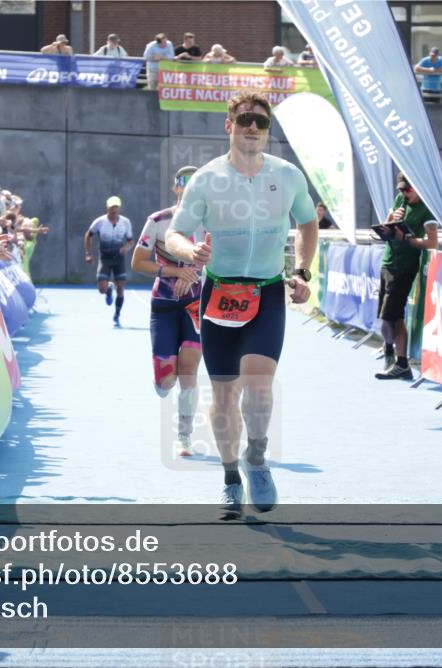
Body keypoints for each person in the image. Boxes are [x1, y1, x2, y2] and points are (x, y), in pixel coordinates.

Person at [165, 91, 318, 516]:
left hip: (267, 292)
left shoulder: (287, 176)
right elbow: (176, 232)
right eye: (245, 119)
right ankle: (231, 476)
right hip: (220, 295)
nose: (253, 127)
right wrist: (188, 252)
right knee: (224, 394)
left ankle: (256, 458)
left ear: (268, 131)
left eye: (261, 122)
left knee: (259, 386)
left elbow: (307, 220)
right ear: (229, 125)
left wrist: (303, 271)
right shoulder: (208, 179)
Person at [130, 166, 203, 458]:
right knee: (167, 381)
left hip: (196, 305)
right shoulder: (158, 220)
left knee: (189, 372)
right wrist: (176, 271)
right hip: (164, 304)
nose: (189, 188)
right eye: (184, 183)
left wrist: (194, 275)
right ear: (175, 189)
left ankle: (184, 437)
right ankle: (161, 377)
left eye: (196, 183)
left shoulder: (211, 224)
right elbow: (138, 262)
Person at [374, 173, 439, 381]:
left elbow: (432, 243)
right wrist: (391, 221)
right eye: (400, 189)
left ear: (418, 187)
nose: (403, 193)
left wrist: (408, 239)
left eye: (407, 190)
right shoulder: (399, 201)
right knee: (397, 316)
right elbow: (387, 227)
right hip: (388, 262)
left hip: (404, 268)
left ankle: (390, 353)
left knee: (386, 318)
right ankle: (401, 363)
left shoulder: (426, 208)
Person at [85, 195, 134, 327]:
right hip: (105, 259)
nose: (114, 210)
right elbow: (88, 235)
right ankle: (108, 289)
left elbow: (130, 241)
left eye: (116, 207)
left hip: (119, 259)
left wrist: (127, 248)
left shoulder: (125, 222)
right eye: (112, 207)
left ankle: (117, 315)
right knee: (101, 289)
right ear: (107, 208)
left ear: (119, 208)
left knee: (121, 288)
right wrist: (88, 254)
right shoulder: (100, 222)